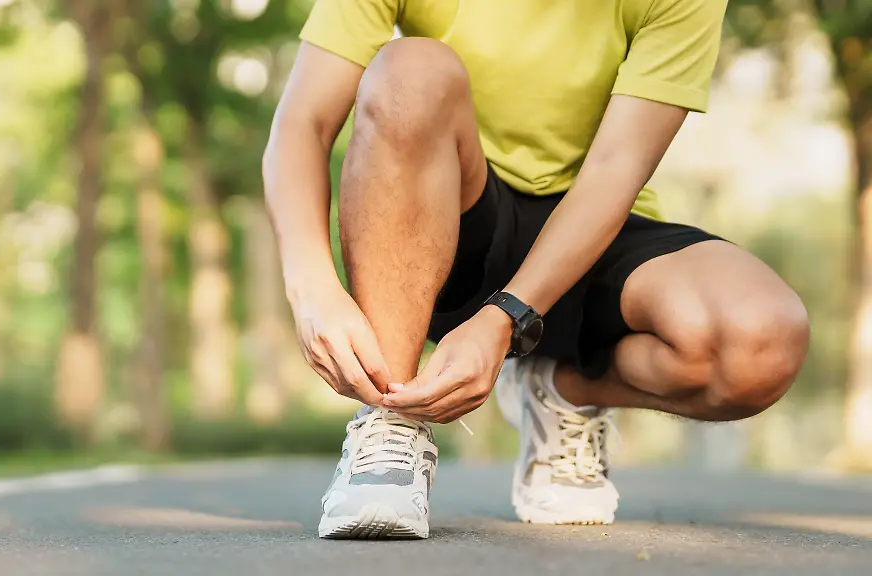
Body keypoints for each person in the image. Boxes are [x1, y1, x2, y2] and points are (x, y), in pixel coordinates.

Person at [262, 0, 810, 539]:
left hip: (594, 220)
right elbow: (302, 124)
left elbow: (615, 170)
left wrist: (507, 316)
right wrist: (309, 282)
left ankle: (560, 387)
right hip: (449, 215)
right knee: (410, 70)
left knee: (761, 342)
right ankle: (391, 424)